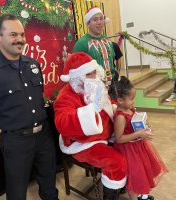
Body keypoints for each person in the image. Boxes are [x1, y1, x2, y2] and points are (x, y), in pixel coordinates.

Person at [0, 14, 58, 200]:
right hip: (15, 141)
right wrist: (3, 124)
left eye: (22, 34)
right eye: (13, 34)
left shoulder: (33, 64)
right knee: (16, 191)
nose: (20, 39)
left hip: (44, 135)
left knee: (49, 183)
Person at [53, 52, 127, 200]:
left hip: (106, 134)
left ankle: (122, 186)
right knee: (116, 161)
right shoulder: (66, 94)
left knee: (130, 147)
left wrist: (119, 110)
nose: (93, 76)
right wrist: (92, 110)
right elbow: (62, 122)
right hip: (82, 143)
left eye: (94, 72)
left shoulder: (96, 86)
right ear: (77, 77)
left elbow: (108, 104)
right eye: (88, 74)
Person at [109, 76, 168, 200]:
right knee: (134, 179)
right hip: (128, 150)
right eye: (131, 99)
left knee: (142, 174)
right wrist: (138, 134)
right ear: (119, 100)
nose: (133, 101)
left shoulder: (129, 109)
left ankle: (140, 194)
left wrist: (145, 127)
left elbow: (135, 123)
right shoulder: (120, 117)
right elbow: (119, 139)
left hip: (137, 147)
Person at [73, 6, 120, 83]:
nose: (99, 22)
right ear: (88, 23)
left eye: (101, 19)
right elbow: (76, 71)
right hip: (95, 88)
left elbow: (111, 62)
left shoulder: (106, 40)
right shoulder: (81, 44)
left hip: (112, 84)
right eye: (95, 19)